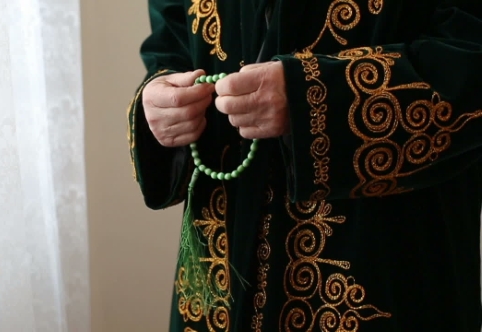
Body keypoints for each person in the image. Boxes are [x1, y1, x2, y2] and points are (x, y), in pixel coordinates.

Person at [127, 0, 482, 331]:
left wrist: (314, 95)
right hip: (220, 258)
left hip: (384, 258)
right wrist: (163, 98)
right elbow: (172, 35)